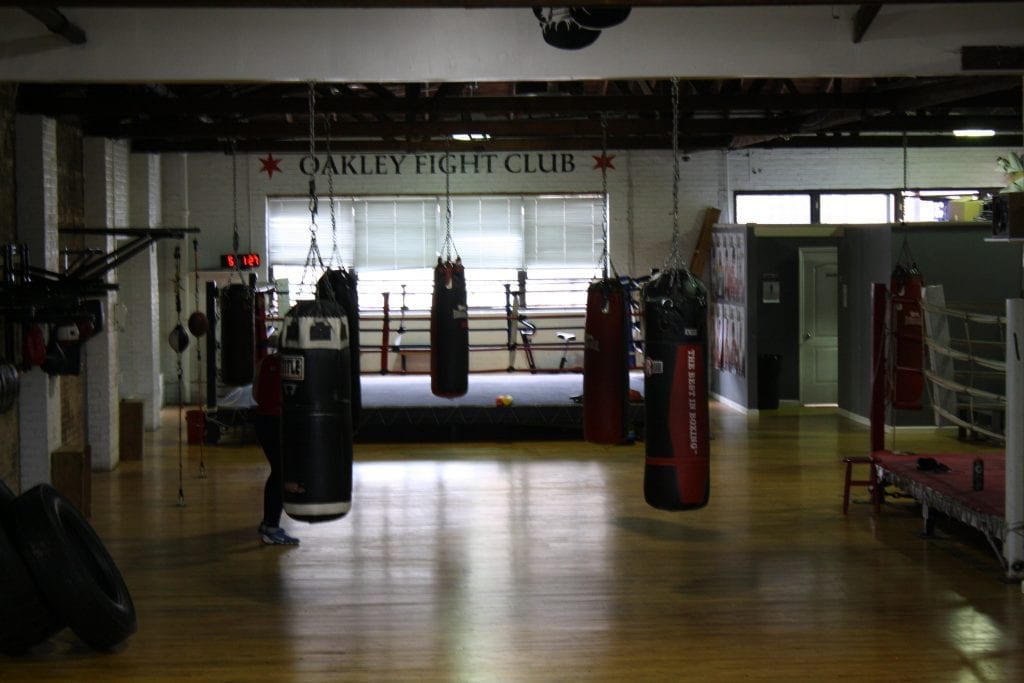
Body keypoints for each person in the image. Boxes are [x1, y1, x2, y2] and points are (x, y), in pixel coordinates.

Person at [252, 340, 299, 545]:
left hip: (262, 421)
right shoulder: (295, 365)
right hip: (279, 422)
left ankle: (267, 523)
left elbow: (255, 394)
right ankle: (271, 528)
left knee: (277, 471)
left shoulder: (263, 362)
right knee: (281, 473)